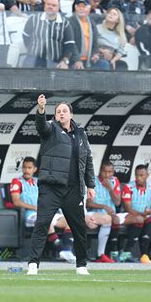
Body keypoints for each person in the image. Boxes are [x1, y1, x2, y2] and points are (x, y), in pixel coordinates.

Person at [27, 94, 96, 276]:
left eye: (65, 111)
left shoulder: (81, 134)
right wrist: (41, 110)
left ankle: (81, 265)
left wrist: (91, 185)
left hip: (74, 189)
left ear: (71, 114)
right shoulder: (51, 130)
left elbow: (88, 160)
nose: (61, 114)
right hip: (51, 187)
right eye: (58, 112)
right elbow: (41, 126)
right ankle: (33, 264)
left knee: (79, 227)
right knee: (42, 223)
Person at [86, 161, 125, 263]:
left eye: (110, 172)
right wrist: (103, 206)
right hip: (93, 214)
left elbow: (117, 202)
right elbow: (88, 203)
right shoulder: (92, 180)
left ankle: (113, 251)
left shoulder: (114, 181)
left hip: (110, 215)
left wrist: (110, 188)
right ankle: (101, 254)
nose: (107, 174)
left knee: (114, 219)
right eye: (105, 172)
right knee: (109, 219)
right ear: (100, 171)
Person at [22, 0, 75, 68]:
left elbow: (69, 44)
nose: (50, 7)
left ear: (58, 8)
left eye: (54, 5)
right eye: (48, 4)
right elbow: (26, 36)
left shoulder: (65, 23)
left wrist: (64, 61)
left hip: (56, 60)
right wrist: (31, 49)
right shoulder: (33, 19)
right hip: (34, 59)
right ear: (44, 6)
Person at [120, 164, 151, 263]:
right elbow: (128, 208)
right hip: (131, 215)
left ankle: (145, 255)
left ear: (147, 175)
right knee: (140, 219)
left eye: (142, 175)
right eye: (137, 175)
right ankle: (126, 252)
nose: (139, 178)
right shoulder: (128, 187)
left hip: (146, 216)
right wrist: (142, 214)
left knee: (150, 220)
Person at [69, 0, 111, 70]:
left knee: (104, 64)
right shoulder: (70, 22)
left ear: (89, 9)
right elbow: (71, 43)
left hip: (88, 59)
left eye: (84, 6)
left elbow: (95, 43)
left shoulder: (92, 23)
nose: (81, 9)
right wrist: (77, 60)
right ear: (75, 8)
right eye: (79, 6)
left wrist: (95, 54)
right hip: (73, 59)